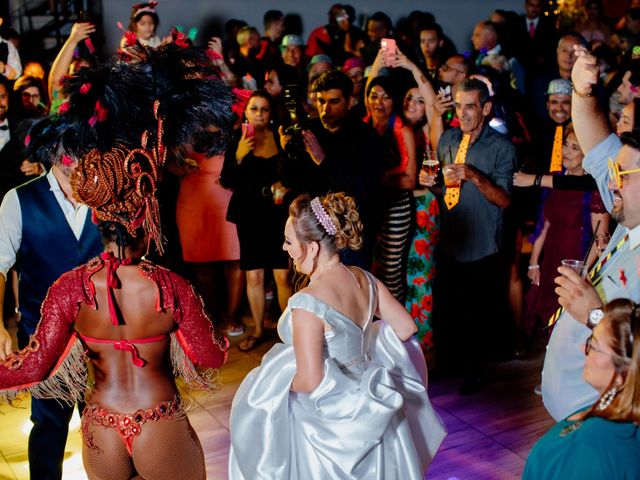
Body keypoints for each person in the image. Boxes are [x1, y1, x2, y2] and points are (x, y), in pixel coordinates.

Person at [0, 132, 228, 479]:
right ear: (145, 225)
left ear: (98, 222)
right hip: (158, 422)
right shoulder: (169, 287)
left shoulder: (69, 289)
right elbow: (210, 357)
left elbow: (32, 368)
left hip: (100, 430)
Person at [228, 192, 446, 479]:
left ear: (313, 248)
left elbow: (310, 380)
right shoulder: (364, 279)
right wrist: (363, 353)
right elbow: (406, 328)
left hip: (328, 420)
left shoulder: (307, 303)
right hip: (374, 404)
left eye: (290, 242)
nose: (284, 248)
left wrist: (271, 380)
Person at [541, 44, 640, 421]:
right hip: (576, 418)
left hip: (608, 423)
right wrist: (582, 89)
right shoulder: (627, 224)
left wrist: (595, 315)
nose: (611, 183)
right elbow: (597, 143)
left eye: (622, 177)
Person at [0, 144, 103, 478]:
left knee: (107, 426)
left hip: (104, 337)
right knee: (48, 425)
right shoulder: (18, 200)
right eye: (65, 146)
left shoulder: (106, 192)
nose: (73, 155)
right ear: (51, 150)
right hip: (44, 338)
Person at [421, 78, 516, 394]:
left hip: (483, 242)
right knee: (448, 307)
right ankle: (449, 364)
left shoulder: (501, 147)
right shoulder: (447, 140)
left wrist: (474, 175)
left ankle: (476, 370)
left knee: (478, 311)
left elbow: (504, 200)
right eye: (459, 106)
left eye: (470, 106)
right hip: (450, 239)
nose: (462, 112)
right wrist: (429, 183)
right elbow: (445, 190)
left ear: (486, 108)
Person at [278, 70, 386, 269]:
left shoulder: (365, 136)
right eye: (320, 101)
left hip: (350, 233)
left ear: (350, 101)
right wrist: (287, 152)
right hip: (313, 232)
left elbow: (364, 189)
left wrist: (323, 161)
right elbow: (291, 181)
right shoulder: (309, 130)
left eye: (334, 101)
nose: (325, 108)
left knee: (349, 293)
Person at [523, 298, 640, 479]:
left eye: (593, 346)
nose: (581, 348)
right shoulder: (621, 420)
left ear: (623, 373)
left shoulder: (593, 447)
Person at [523, 124, 608, 341]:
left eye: (574, 148)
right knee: (542, 312)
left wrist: (583, 272)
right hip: (551, 257)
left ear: (586, 154)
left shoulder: (594, 189)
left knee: (566, 321)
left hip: (574, 260)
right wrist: (534, 262)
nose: (566, 152)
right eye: (565, 145)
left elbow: (601, 238)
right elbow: (545, 224)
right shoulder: (555, 179)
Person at [222, 90, 293, 351]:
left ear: (271, 113)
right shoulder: (238, 140)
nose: (259, 114)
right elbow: (227, 180)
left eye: (264, 109)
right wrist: (239, 155)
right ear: (246, 112)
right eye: (254, 109)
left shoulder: (280, 137)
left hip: (277, 213)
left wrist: (285, 184)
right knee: (254, 277)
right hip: (249, 214)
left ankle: (290, 333)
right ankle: (259, 329)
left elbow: (295, 175)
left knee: (283, 276)